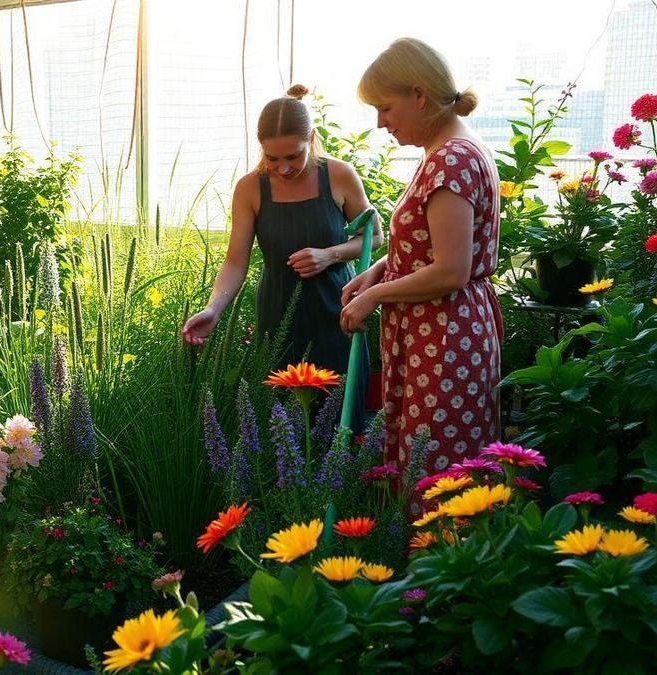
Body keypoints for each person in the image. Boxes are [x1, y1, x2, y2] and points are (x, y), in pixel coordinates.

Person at [340, 38, 503, 489]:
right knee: (428, 463)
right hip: (440, 334)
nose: (379, 122)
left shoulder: (450, 160)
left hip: (444, 339)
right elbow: (427, 246)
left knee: (435, 474)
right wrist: (376, 270)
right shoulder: (448, 150)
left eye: (385, 108)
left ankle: (438, 560)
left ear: (418, 95)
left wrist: (374, 295)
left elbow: (451, 269)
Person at [183, 84, 382, 431]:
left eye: (293, 156)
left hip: (337, 315)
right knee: (283, 429)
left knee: (340, 426)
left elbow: (375, 236)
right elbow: (235, 261)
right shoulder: (250, 188)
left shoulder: (338, 175)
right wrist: (213, 310)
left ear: (312, 139)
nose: (284, 167)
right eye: (272, 158)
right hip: (277, 319)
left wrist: (330, 255)